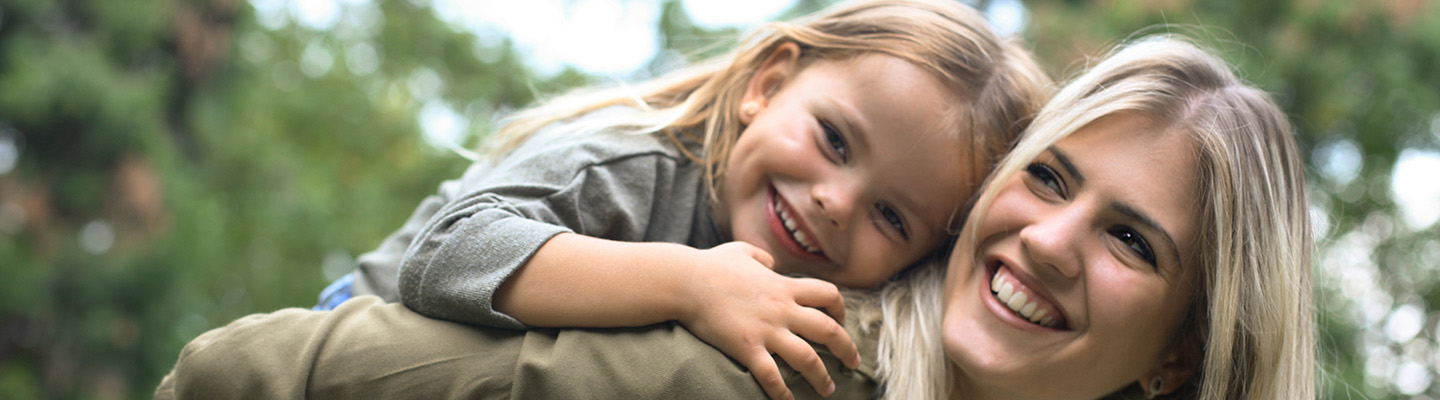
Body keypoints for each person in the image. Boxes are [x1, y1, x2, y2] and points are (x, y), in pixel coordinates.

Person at [156, 36, 1315, 400]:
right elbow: (240, 369)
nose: (1052, 242)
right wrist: (690, 284)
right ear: (770, 84)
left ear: (1181, 346)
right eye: (1052, 178)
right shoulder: (769, 345)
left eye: (1132, 238)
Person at [310, 0, 1048, 399]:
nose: (835, 202)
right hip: (344, 339)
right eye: (834, 139)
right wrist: (689, 284)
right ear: (768, 85)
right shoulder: (636, 165)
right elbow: (446, 255)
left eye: (892, 216)